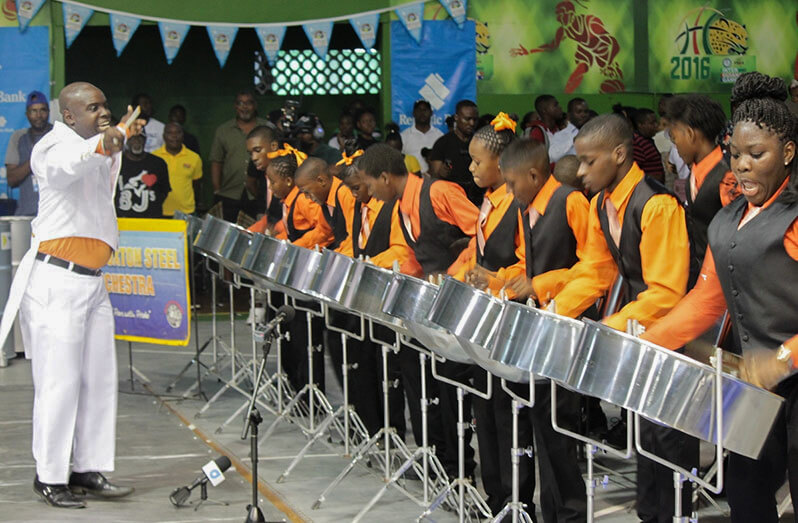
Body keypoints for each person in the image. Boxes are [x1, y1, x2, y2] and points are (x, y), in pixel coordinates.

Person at [641, 71, 798, 523]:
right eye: (735, 155)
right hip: (753, 384)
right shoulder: (726, 220)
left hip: (791, 374)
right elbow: (708, 297)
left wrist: (782, 359)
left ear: (787, 153)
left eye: (757, 154)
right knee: (745, 494)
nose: (742, 165)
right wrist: (650, 340)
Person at [547, 114, 695, 522]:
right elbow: (594, 270)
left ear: (618, 154)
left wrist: (603, 330)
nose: (580, 172)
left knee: (664, 438)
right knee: (642, 434)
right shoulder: (601, 203)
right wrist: (554, 314)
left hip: (669, 332)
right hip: (637, 328)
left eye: (588, 162)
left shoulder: (658, 205)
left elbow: (666, 293)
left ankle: (673, 515)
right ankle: (652, 514)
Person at [0, 82, 142, 508]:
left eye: (105, 105)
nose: (102, 112)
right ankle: (49, 476)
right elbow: (69, 167)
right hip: (56, 282)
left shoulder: (97, 145)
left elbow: (100, 162)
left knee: (97, 381)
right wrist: (105, 141)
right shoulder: (52, 148)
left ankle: (86, 468)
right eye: (92, 107)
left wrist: (113, 139)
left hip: (93, 282)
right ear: (69, 115)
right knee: (58, 383)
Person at [359, 142, 479, 480]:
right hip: (430, 304)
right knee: (428, 385)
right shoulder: (400, 206)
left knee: (452, 389)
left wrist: (453, 275)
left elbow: (480, 235)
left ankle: (461, 469)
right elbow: (416, 256)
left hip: (457, 302)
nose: (368, 192)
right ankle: (439, 459)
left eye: (369, 184)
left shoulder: (439, 191)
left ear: (384, 177)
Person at [500, 137, 591, 523]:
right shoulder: (527, 208)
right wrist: (501, 281)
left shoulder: (570, 201)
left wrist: (544, 284)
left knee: (560, 429)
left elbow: (595, 266)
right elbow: (527, 264)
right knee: (542, 427)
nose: (509, 191)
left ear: (535, 174)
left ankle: (571, 514)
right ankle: (550, 511)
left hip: (570, 329)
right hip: (541, 328)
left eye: (512, 183)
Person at [450, 113, 530, 514]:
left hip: (509, 320)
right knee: (485, 406)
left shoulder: (517, 204)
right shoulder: (488, 202)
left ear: (501, 164)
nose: (471, 168)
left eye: (477, 162)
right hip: (485, 318)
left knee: (507, 413)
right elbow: (476, 251)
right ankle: (494, 493)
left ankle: (517, 499)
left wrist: (494, 278)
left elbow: (526, 265)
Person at [666, 94, 740, 280]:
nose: (676, 147)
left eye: (675, 140)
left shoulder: (727, 178)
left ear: (690, 134)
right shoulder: (695, 173)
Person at [209, 91, 270, 222]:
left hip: (257, 194)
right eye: (240, 103)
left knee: (255, 235)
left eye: (248, 103)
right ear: (235, 106)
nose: (244, 107)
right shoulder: (223, 130)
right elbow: (216, 161)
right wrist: (217, 189)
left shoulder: (267, 128)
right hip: (229, 192)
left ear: (255, 105)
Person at [4, 90, 52, 216]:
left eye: (42, 110)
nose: (38, 115)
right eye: (33, 111)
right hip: (27, 213)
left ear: (48, 112)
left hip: (55, 214)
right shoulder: (19, 137)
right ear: (27, 114)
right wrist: (36, 156)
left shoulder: (58, 135)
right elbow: (11, 180)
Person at [428, 99, 482, 205]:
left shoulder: (481, 143)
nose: (471, 123)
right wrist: (441, 173)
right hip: (450, 201)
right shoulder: (442, 143)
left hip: (477, 200)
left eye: (475, 119)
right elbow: (434, 176)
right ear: (456, 118)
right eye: (467, 119)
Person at [115, 133, 171, 218]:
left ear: (145, 140)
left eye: (140, 138)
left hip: (150, 220)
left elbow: (164, 190)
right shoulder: (116, 162)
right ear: (126, 140)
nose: (137, 142)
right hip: (122, 220)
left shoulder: (158, 163)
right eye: (133, 138)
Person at [152, 122, 203, 216]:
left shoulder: (194, 158)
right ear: (164, 136)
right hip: (160, 211)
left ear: (183, 135)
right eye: (169, 133)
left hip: (186, 212)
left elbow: (196, 185)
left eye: (178, 132)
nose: (174, 136)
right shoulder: (154, 157)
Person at [245, 125, 283, 234]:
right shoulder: (266, 174)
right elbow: (270, 217)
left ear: (274, 146)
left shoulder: (288, 175)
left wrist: (275, 230)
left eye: (258, 150)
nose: (254, 157)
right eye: (251, 153)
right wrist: (249, 232)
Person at [400, 99, 443, 174]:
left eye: (425, 110)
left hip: (435, 180)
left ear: (431, 113)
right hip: (411, 181)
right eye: (419, 110)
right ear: (413, 113)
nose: (422, 113)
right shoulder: (404, 136)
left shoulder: (439, 136)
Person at [632, 108, 665, 182]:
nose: (656, 125)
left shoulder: (647, 140)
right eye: (652, 123)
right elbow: (634, 169)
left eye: (656, 122)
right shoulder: (637, 142)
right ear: (640, 125)